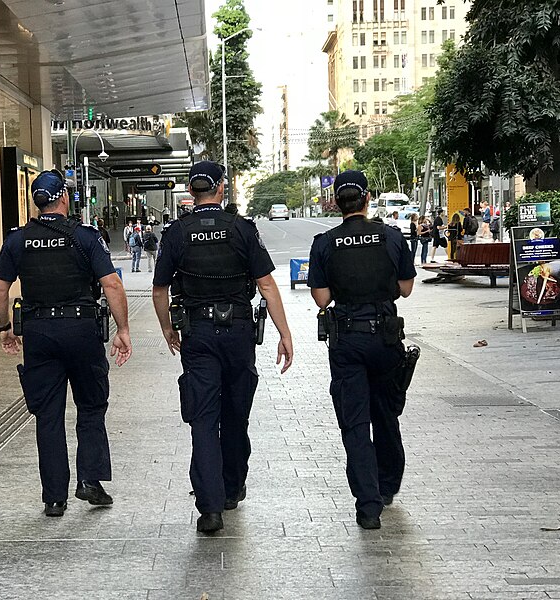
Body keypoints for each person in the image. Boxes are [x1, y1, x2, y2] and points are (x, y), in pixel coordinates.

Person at [152, 160, 294, 533]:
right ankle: (231, 488)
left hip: (197, 333)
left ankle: (210, 508)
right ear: (221, 188)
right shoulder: (242, 229)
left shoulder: (176, 233)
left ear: (191, 190)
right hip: (238, 333)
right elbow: (266, 285)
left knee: (202, 417)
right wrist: (285, 333)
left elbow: (160, 289)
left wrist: (168, 328)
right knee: (235, 414)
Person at [0, 170, 132, 518]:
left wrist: (5, 327)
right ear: (64, 199)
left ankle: (54, 498)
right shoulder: (84, 237)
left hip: (39, 333)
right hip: (81, 329)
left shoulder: (17, 240)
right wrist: (123, 329)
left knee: (48, 415)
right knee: (91, 405)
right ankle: (90, 481)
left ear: (36, 203)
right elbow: (111, 285)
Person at [307, 170, 416, 530]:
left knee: (355, 422)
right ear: (367, 198)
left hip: (348, 339)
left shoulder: (325, 243)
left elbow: (322, 298)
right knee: (386, 413)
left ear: (335, 202)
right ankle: (387, 486)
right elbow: (405, 289)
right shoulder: (391, 237)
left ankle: (368, 506)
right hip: (385, 338)